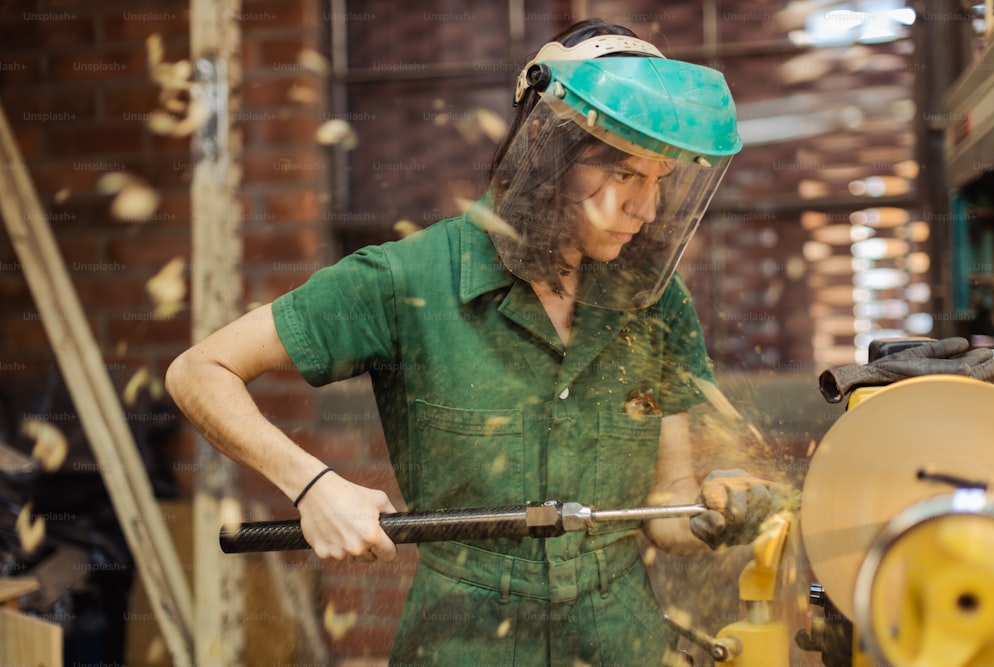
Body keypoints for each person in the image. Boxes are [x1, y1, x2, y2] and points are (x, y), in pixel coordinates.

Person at [166, 18, 780, 667]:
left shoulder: (654, 300)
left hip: (619, 638)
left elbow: (665, 515)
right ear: (547, 153)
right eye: (627, 176)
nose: (648, 210)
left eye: (660, 180)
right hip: (466, 639)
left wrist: (717, 506)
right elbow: (199, 370)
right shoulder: (407, 279)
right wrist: (312, 484)